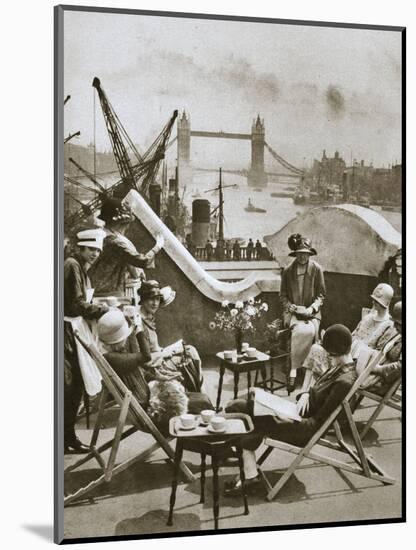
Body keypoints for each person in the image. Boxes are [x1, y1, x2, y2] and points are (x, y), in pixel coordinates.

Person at [223, 325, 356, 496]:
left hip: (302, 429)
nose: (328, 358)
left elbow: (317, 423)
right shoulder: (339, 368)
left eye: (330, 355)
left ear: (337, 352)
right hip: (295, 414)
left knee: (242, 411)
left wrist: (281, 415)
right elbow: (315, 393)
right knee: (243, 406)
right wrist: (306, 394)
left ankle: (248, 472)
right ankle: (249, 472)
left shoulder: (343, 382)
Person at [98, 309, 213, 433]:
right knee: (203, 404)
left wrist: (161, 378)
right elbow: (146, 356)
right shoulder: (114, 359)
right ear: (120, 339)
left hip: (148, 400)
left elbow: (139, 373)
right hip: (152, 410)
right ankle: (206, 441)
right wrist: (139, 330)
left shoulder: (115, 356)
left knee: (203, 399)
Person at [64, 227, 109, 453]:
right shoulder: (72, 265)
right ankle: (65, 439)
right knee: (70, 387)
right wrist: (103, 309)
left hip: (72, 329)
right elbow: (75, 305)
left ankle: (68, 438)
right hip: (64, 331)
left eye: (97, 251)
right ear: (80, 248)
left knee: (74, 387)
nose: (94, 254)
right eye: (91, 249)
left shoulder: (79, 267)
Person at [89, 195, 164, 297]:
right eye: (127, 224)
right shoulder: (115, 242)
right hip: (107, 293)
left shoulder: (100, 235)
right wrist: (158, 246)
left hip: (94, 289)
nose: (127, 227)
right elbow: (143, 261)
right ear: (121, 223)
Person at [138, 280, 204, 393]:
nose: (155, 303)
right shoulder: (139, 324)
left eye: (157, 299)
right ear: (143, 300)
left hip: (157, 360)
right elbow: (144, 359)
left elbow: (154, 347)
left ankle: (199, 394)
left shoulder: (147, 317)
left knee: (190, 350)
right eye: (151, 299)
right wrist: (166, 353)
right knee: (190, 354)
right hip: (152, 368)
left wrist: (170, 350)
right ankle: (199, 394)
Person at [280, 233, 326, 392]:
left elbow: (321, 295)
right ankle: (293, 370)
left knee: (310, 330)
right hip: (293, 312)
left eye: (305, 254)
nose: (302, 257)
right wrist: (290, 306)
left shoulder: (317, 269)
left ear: (309, 254)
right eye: (300, 254)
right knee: (300, 330)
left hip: (312, 313)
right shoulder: (288, 271)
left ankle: (307, 371)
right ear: (295, 254)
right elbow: (283, 295)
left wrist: (311, 308)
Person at [351, 283, 394, 357]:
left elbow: (379, 352)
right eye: (373, 299)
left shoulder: (389, 324)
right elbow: (354, 335)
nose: (373, 302)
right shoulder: (367, 318)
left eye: (377, 301)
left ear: (386, 303)